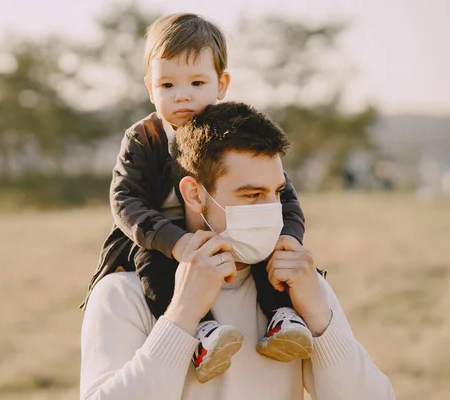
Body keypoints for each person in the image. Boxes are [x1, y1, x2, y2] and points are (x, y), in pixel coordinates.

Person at [80, 102, 395, 400]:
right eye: (252, 195)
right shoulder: (123, 293)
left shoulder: (298, 286)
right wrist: (181, 316)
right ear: (194, 195)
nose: (272, 210)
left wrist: (319, 318)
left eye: (277, 194)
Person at [80, 13, 309, 383]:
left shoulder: (232, 135)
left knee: (263, 246)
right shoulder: (144, 137)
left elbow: (281, 194)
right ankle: (201, 331)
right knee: (151, 264)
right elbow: (125, 200)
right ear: (150, 89)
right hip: (157, 231)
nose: (182, 94)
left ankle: (281, 316)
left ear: (221, 85)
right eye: (167, 84)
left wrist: (289, 238)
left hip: (224, 224)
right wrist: (176, 242)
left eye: (197, 82)